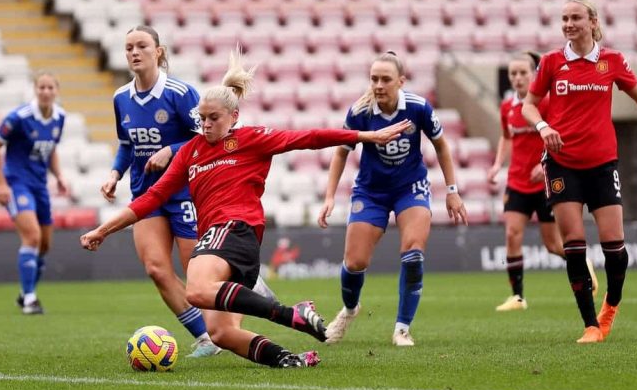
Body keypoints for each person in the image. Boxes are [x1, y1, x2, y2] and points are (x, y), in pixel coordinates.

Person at [81, 46, 411, 368]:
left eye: (214, 118)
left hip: (236, 227)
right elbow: (151, 198)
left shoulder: (250, 140)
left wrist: (366, 137)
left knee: (195, 289)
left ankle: (290, 313)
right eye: (202, 118)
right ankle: (286, 359)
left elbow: (307, 137)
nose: (206, 124)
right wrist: (103, 229)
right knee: (221, 332)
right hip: (219, 236)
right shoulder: (191, 151)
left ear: (233, 117)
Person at [522, 0, 637, 343]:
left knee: (614, 247)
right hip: (562, 164)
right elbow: (529, 106)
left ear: (592, 22)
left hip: (601, 164)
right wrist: (543, 128)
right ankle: (589, 325)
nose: (568, 24)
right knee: (574, 244)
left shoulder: (612, 61)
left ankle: (610, 306)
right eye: (564, 18)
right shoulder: (553, 62)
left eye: (575, 18)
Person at [101, 25, 246, 358]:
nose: (134, 52)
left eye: (141, 46)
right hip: (146, 195)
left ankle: (239, 306)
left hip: (185, 192)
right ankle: (206, 338)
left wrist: (172, 150)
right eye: (128, 48)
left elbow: (208, 139)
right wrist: (114, 174)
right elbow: (126, 144)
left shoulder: (180, 93)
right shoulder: (121, 97)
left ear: (158, 51)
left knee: (197, 275)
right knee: (155, 268)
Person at [317, 51, 469, 347]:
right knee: (355, 262)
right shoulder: (360, 112)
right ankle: (349, 310)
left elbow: (442, 146)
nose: (379, 85)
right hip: (370, 191)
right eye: (374, 78)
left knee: (413, 254)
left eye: (386, 79)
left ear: (401, 81)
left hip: (409, 187)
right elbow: (340, 151)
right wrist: (329, 196)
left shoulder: (418, 108)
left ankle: (402, 328)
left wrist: (452, 192)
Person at [488, 52, 598, 312]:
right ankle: (518, 297)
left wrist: (543, 162)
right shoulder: (507, 107)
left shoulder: (546, 103)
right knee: (512, 233)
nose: (517, 78)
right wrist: (496, 164)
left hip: (546, 180)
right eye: (512, 74)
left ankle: (583, 264)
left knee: (552, 245)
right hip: (517, 180)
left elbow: (562, 134)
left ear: (534, 74)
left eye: (522, 73)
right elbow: (506, 137)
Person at [0, 71, 67, 315]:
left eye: (49, 87)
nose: (45, 91)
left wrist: (59, 175)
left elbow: (51, 150)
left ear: (56, 91)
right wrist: (1, 183)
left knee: (44, 245)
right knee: (32, 236)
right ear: (35, 89)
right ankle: (30, 299)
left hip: (39, 185)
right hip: (16, 183)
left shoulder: (59, 117)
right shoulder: (19, 117)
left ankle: (25, 294)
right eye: (41, 87)